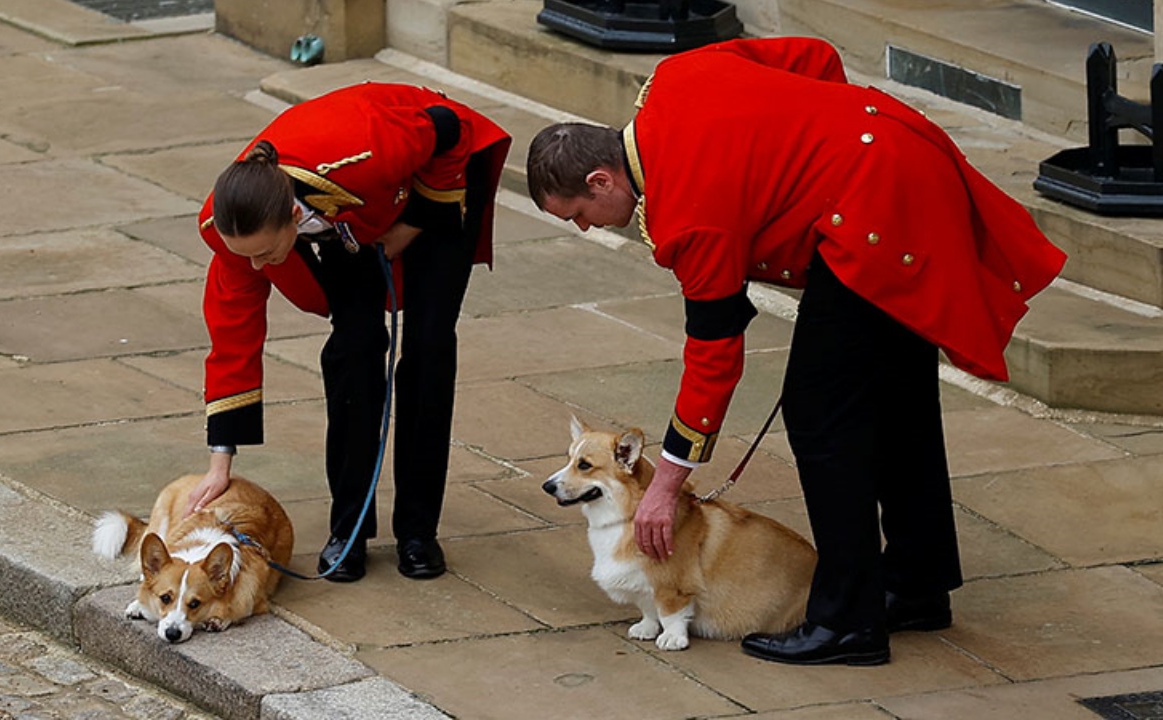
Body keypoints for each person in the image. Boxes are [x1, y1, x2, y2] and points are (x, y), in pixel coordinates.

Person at [526, 37, 1065, 665]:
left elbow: (714, 355)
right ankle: (917, 584)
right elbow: (813, 57)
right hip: (898, 153)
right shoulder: (674, 77)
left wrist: (666, 484)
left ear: (601, 178)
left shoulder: (687, 216)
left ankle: (847, 621)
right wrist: (824, 140)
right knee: (897, 396)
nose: (588, 227)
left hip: (872, 215)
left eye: (582, 214)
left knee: (821, 418)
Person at [191, 82, 511, 583]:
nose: (253, 265)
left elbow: (451, 130)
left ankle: (418, 531)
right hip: (351, 219)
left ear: (293, 217)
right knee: (354, 350)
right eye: (244, 253)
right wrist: (220, 463)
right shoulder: (234, 227)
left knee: (428, 347)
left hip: (433, 182)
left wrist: (414, 224)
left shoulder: (365, 150)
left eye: (262, 252)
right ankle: (350, 528)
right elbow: (232, 339)